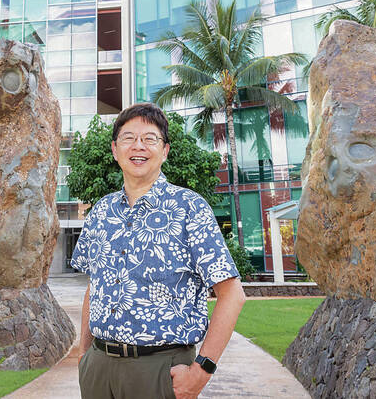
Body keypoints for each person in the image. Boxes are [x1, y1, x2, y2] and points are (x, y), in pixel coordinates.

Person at [70, 102, 246, 399]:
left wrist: (202, 370)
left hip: (160, 370)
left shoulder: (189, 208)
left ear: (164, 150)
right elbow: (94, 286)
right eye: (128, 138)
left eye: (150, 139)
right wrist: (84, 354)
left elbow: (232, 294)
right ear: (115, 150)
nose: (138, 146)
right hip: (98, 370)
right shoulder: (101, 211)